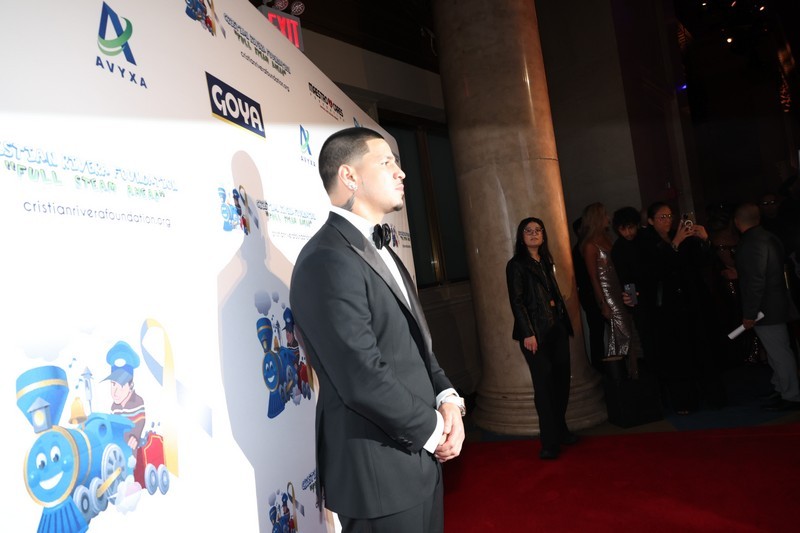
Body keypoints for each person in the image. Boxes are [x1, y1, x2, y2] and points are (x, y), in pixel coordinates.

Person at [290, 127, 465, 533]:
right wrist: (435, 430)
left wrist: (448, 399)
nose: (401, 172)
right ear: (349, 176)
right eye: (387, 162)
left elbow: (417, 348)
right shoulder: (326, 259)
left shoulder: (384, 251)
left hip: (420, 459)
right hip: (378, 475)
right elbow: (361, 377)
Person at [639, 201, 727, 414]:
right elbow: (654, 273)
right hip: (667, 309)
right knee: (676, 355)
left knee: (701, 349)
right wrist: (675, 244)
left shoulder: (681, 236)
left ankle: (713, 395)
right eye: (662, 217)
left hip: (691, 302)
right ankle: (685, 401)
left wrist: (704, 240)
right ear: (651, 220)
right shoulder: (646, 242)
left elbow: (703, 262)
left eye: (669, 216)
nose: (667, 221)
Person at [506, 217, 578, 460]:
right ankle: (549, 442)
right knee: (544, 388)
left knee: (561, 384)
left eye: (538, 230)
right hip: (535, 334)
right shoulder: (516, 265)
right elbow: (517, 301)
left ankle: (561, 430)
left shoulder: (545, 260)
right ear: (521, 236)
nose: (534, 234)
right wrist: (528, 333)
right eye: (528, 231)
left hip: (556, 328)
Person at [733, 203, 800, 410]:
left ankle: (791, 394)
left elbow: (756, 280)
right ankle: (782, 387)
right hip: (776, 303)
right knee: (777, 351)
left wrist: (750, 313)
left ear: (737, 221)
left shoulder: (751, 242)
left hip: (766, 308)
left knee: (779, 352)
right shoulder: (769, 237)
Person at [579, 203, 641, 378]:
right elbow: (593, 277)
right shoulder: (590, 245)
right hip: (608, 294)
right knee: (622, 333)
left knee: (627, 331)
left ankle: (631, 373)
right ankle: (621, 375)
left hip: (619, 289)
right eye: (605, 215)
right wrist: (603, 304)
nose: (608, 218)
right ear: (597, 218)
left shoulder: (608, 238)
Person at [611, 206, 656, 366]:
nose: (628, 232)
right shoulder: (618, 249)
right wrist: (632, 303)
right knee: (646, 336)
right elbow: (625, 279)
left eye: (630, 227)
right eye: (623, 229)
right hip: (639, 299)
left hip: (656, 293)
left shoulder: (646, 238)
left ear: (636, 225)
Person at [572, 217, 606, 370]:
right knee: (597, 331)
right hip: (590, 294)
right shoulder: (582, 249)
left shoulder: (584, 247)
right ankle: (600, 366)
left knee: (598, 330)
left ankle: (604, 365)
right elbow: (590, 276)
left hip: (591, 293)